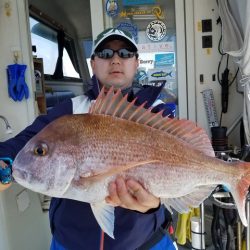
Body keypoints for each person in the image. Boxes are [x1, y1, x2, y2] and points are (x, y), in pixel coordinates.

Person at [0, 28, 176, 250]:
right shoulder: (71, 110)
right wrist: (4, 165)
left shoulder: (156, 112)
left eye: (125, 53)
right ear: (93, 64)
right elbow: (23, 143)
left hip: (146, 242)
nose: (115, 60)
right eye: (104, 53)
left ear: (136, 62)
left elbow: (177, 170)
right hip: (71, 243)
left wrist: (153, 206)